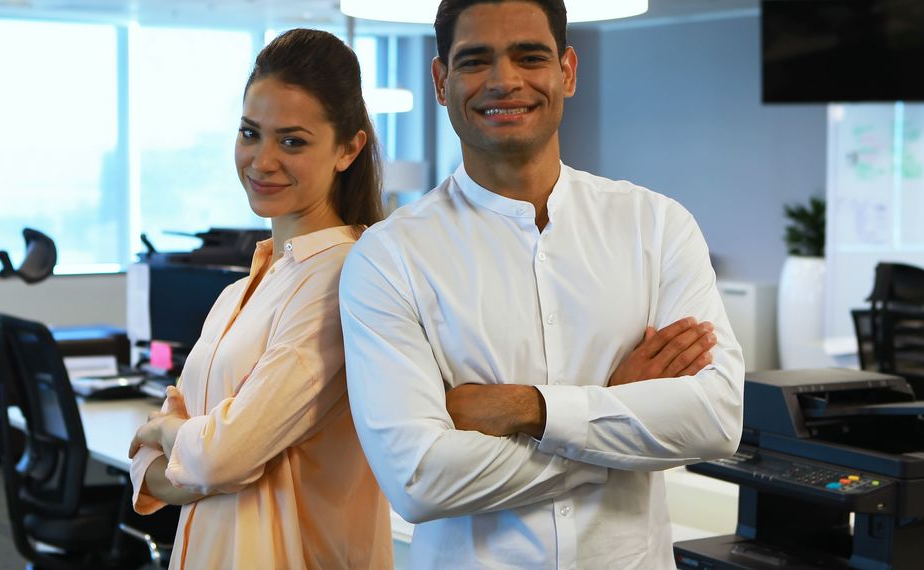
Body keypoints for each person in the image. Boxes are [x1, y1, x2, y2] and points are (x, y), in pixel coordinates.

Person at [339, 0, 745, 567]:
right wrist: (614, 416)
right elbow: (419, 480)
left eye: (529, 56)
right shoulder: (389, 257)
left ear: (568, 72)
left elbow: (715, 418)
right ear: (440, 80)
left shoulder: (656, 226)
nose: (505, 81)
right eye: (476, 60)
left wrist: (528, 409)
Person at [127, 28, 393, 569]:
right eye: (251, 133)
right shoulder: (241, 288)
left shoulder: (343, 277)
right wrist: (187, 449)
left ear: (348, 148)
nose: (262, 160)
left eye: (292, 141)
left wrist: (166, 434)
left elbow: (223, 454)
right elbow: (173, 454)